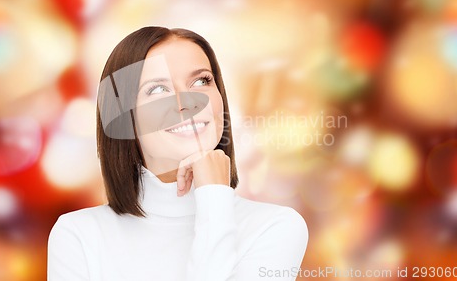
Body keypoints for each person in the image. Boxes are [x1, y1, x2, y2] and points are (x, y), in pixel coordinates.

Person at [47, 26, 308, 280]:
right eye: (158, 89)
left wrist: (214, 197)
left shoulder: (275, 227)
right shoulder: (78, 235)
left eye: (201, 81)